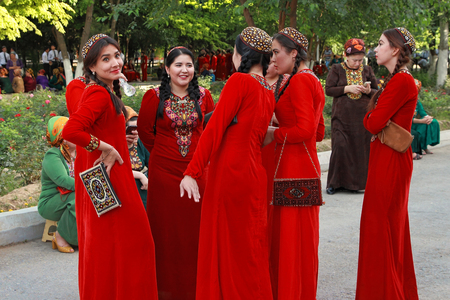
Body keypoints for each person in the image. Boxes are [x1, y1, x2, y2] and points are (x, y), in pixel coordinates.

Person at [180, 27, 274, 299]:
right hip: (254, 172)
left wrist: (192, 171)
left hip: (231, 172)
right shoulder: (267, 88)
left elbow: (214, 130)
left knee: (226, 246)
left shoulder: (240, 82)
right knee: (248, 248)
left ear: (240, 54)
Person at [62, 33, 158, 299]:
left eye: (117, 55)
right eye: (106, 59)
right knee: (132, 244)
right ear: (92, 66)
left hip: (109, 177)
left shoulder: (106, 90)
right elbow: (72, 130)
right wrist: (107, 147)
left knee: (112, 247)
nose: (115, 62)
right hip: (106, 179)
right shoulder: (95, 92)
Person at [138, 46, 214, 300]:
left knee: (195, 231)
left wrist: (197, 160)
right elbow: (145, 132)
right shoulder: (153, 96)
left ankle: (197, 288)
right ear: (168, 69)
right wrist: (163, 153)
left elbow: (208, 132)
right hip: (163, 174)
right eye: (179, 65)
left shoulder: (204, 96)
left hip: (197, 171)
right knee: (166, 233)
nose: (184, 70)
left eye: (189, 65)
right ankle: (166, 291)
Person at [356, 27, 419, 300]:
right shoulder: (395, 81)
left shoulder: (402, 81)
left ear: (395, 49)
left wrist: (372, 116)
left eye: (381, 44)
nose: (375, 48)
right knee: (384, 227)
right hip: (386, 157)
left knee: (381, 226)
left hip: (391, 160)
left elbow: (373, 123)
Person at [265, 27, 325, 300]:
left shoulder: (300, 82)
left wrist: (273, 133)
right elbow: (319, 130)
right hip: (302, 165)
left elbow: (305, 131)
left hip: (293, 169)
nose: (273, 58)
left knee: (290, 242)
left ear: (294, 53)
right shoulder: (306, 79)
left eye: (277, 52)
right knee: (298, 242)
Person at [325, 38, 378, 195]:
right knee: (340, 147)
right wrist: (347, 88)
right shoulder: (336, 69)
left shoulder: (367, 70)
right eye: (355, 60)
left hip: (361, 119)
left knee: (359, 149)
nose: (357, 63)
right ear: (346, 56)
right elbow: (328, 90)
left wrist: (369, 91)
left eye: (360, 60)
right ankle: (334, 183)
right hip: (341, 118)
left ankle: (355, 184)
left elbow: (378, 93)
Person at [38, 116, 77, 253]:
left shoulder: (80, 153)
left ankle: (85, 237)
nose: (78, 134)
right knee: (79, 198)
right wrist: (86, 186)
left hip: (69, 196)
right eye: (73, 132)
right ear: (62, 136)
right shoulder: (53, 155)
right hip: (51, 202)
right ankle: (61, 235)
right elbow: (62, 180)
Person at [125, 106, 150, 209]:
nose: (135, 133)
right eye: (131, 130)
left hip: (143, 192)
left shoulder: (142, 143)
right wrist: (140, 175)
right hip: (125, 192)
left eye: (137, 129)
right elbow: (115, 170)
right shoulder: (116, 146)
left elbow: (152, 164)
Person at [412, 79, 440, 155]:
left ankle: (425, 146)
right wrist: (422, 121)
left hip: (415, 122)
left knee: (433, 122)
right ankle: (421, 147)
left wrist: (429, 118)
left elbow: (423, 113)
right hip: (407, 124)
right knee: (423, 125)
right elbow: (407, 119)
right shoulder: (404, 101)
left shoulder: (417, 101)